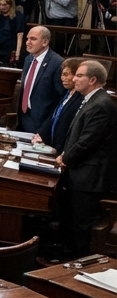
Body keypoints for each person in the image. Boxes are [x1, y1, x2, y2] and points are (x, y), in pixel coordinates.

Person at [56, 60, 117, 255]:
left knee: (82, 226)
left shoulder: (101, 105)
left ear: (92, 79)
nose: (74, 79)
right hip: (80, 173)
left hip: (89, 178)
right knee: (73, 223)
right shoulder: (91, 100)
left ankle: (79, 265)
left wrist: (65, 159)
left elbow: (87, 142)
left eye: (79, 75)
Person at [15, 26, 64, 134]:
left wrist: (45, 129)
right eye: (27, 39)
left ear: (45, 42)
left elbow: (60, 99)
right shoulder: (28, 59)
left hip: (42, 124)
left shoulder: (57, 63)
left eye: (33, 39)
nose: (28, 42)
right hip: (24, 119)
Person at [37, 57, 85, 150]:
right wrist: (41, 134)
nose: (63, 78)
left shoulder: (81, 98)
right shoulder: (66, 93)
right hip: (53, 146)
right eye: (62, 74)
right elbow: (55, 116)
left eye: (66, 74)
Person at [0, 0, 25, 67]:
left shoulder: (18, 16)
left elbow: (20, 34)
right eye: (0, 4)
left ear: (10, 4)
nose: (2, 7)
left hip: (10, 50)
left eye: (5, 4)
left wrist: (17, 54)